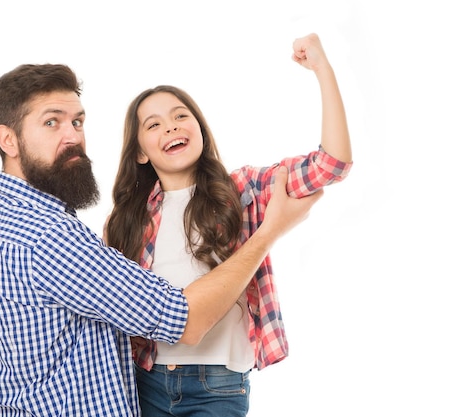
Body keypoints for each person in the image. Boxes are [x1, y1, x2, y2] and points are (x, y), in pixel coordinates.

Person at [0, 63, 322, 416]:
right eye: (51, 122)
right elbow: (186, 321)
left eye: (77, 121)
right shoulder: (50, 238)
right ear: (7, 139)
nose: (72, 136)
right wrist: (269, 232)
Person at [103, 33, 353, 417]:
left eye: (181, 115)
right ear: (139, 151)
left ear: (200, 127)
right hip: (144, 382)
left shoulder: (243, 191)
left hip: (217, 386)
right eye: (153, 125)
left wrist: (323, 69)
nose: (171, 127)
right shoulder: (126, 219)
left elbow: (331, 164)